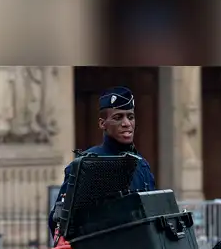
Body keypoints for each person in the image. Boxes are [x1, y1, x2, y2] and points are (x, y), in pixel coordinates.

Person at [48, 86, 156, 238]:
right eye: (118, 117)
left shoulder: (142, 165)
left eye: (130, 117)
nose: (126, 123)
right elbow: (60, 222)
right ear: (102, 123)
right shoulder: (87, 165)